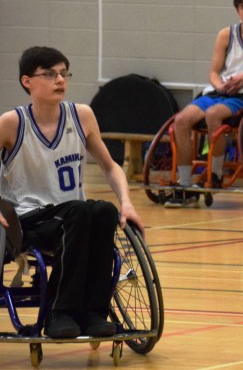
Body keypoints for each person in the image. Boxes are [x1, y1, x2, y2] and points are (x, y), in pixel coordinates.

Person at [0, 46, 144, 339]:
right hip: (27, 220)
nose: (59, 80)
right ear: (27, 81)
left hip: (73, 217)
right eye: (49, 74)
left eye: (64, 73)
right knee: (79, 212)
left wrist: (127, 202)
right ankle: (59, 311)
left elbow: (110, 166)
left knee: (104, 210)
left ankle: (94, 313)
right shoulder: (11, 123)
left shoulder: (82, 115)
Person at [168, 0, 243, 207]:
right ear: (237, 10)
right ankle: (185, 185)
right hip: (219, 92)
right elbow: (213, 72)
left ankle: (215, 174)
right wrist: (220, 86)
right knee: (181, 120)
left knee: (213, 115)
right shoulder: (226, 35)